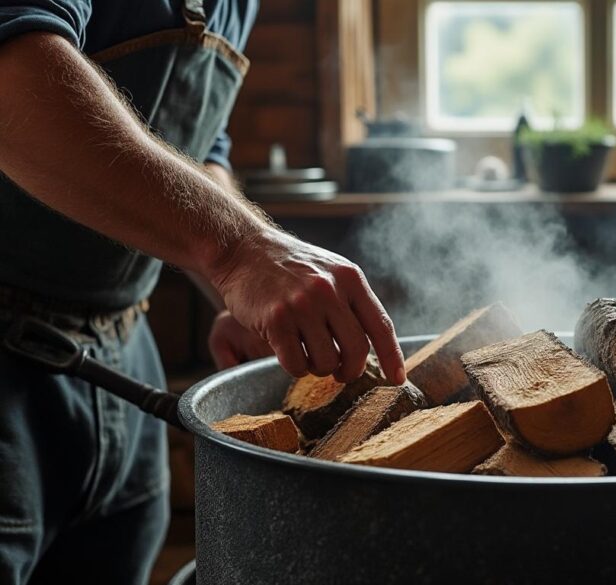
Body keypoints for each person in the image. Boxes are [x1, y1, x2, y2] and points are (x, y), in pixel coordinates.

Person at [0, 1, 406, 583]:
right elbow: (12, 76)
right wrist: (242, 251)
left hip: (122, 358)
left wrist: (229, 289)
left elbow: (196, 144)